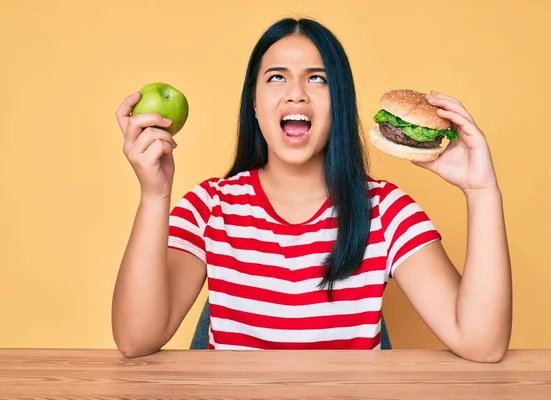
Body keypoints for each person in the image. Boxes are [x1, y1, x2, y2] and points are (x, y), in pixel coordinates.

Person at [111, 17, 512, 361]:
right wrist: (155, 195)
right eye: (276, 77)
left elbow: (483, 343)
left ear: (340, 101)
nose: (296, 92)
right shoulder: (209, 207)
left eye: (317, 78)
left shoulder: (386, 211)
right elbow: (135, 338)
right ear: (253, 102)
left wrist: (481, 191)